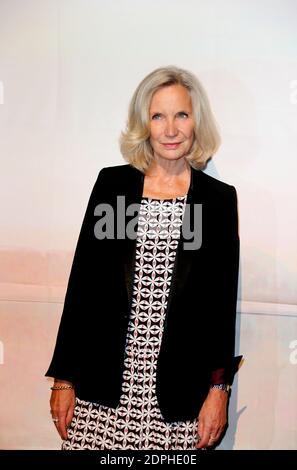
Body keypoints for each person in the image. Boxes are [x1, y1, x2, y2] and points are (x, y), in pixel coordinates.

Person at [45, 65, 242, 450]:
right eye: (158, 116)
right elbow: (83, 285)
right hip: (103, 389)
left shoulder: (216, 201)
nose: (170, 129)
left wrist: (219, 389)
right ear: (144, 123)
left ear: (196, 120)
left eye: (181, 115)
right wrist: (64, 379)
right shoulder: (113, 187)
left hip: (178, 399)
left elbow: (218, 306)